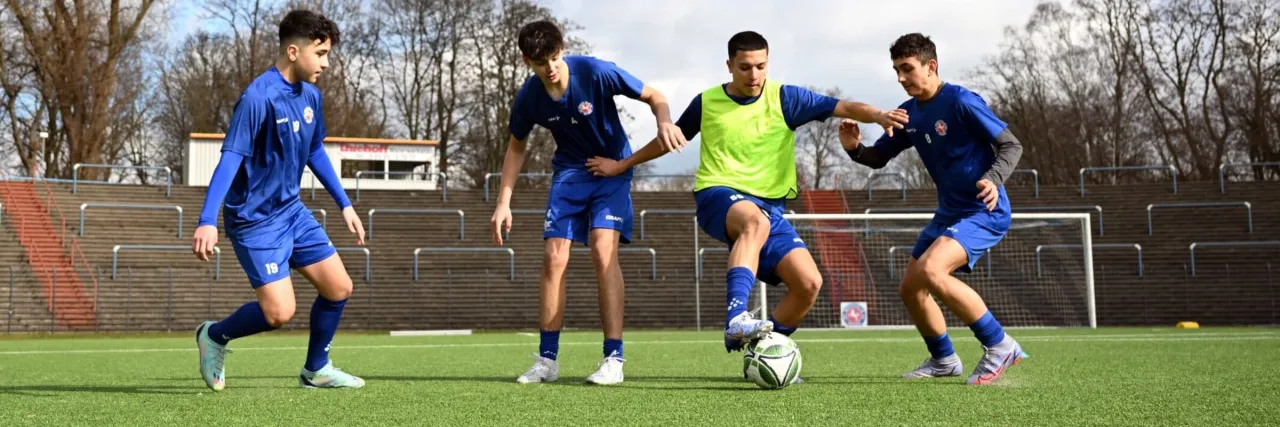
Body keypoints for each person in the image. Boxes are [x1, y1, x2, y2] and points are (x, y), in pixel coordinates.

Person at [585, 31, 907, 355]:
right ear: (729, 65)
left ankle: (763, 350)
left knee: (809, 284)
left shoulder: (786, 99)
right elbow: (669, 140)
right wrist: (622, 164)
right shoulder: (707, 101)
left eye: (760, 66)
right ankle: (737, 317)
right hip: (718, 195)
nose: (753, 75)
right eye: (744, 67)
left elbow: (843, 106)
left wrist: (878, 115)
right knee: (754, 222)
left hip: (770, 209)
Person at [490, 20, 686, 385]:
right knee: (553, 257)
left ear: (561, 50)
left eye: (555, 57)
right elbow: (516, 147)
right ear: (525, 61)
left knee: (601, 250)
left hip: (612, 170)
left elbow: (655, 95)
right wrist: (504, 202)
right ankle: (547, 362)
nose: (550, 68)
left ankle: (614, 359)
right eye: (540, 62)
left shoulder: (595, 72)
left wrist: (665, 122)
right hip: (570, 173)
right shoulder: (529, 97)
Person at [191, 9, 366, 391]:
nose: (326, 63)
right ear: (292, 51)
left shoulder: (312, 97)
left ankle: (316, 369)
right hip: (254, 220)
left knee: (339, 288)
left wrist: (345, 204)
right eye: (320, 54)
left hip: (292, 212)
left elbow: (315, 151)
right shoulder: (257, 97)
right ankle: (214, 336)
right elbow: (230, 159)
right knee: (278, 313)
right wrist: (207, 219)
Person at [840, 33, 1026, 385]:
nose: (900, 78)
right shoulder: (908, 113)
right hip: (949, 213)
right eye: (896, 70)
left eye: (907, 69)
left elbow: (1010, 145)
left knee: (933, 270)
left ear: (931, 66)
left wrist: (993, 178)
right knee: (910, 288)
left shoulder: (961, 101)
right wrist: (854, 149)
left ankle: (999, 345)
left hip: (984, 211)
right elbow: (879, 158)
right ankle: (943, 359)